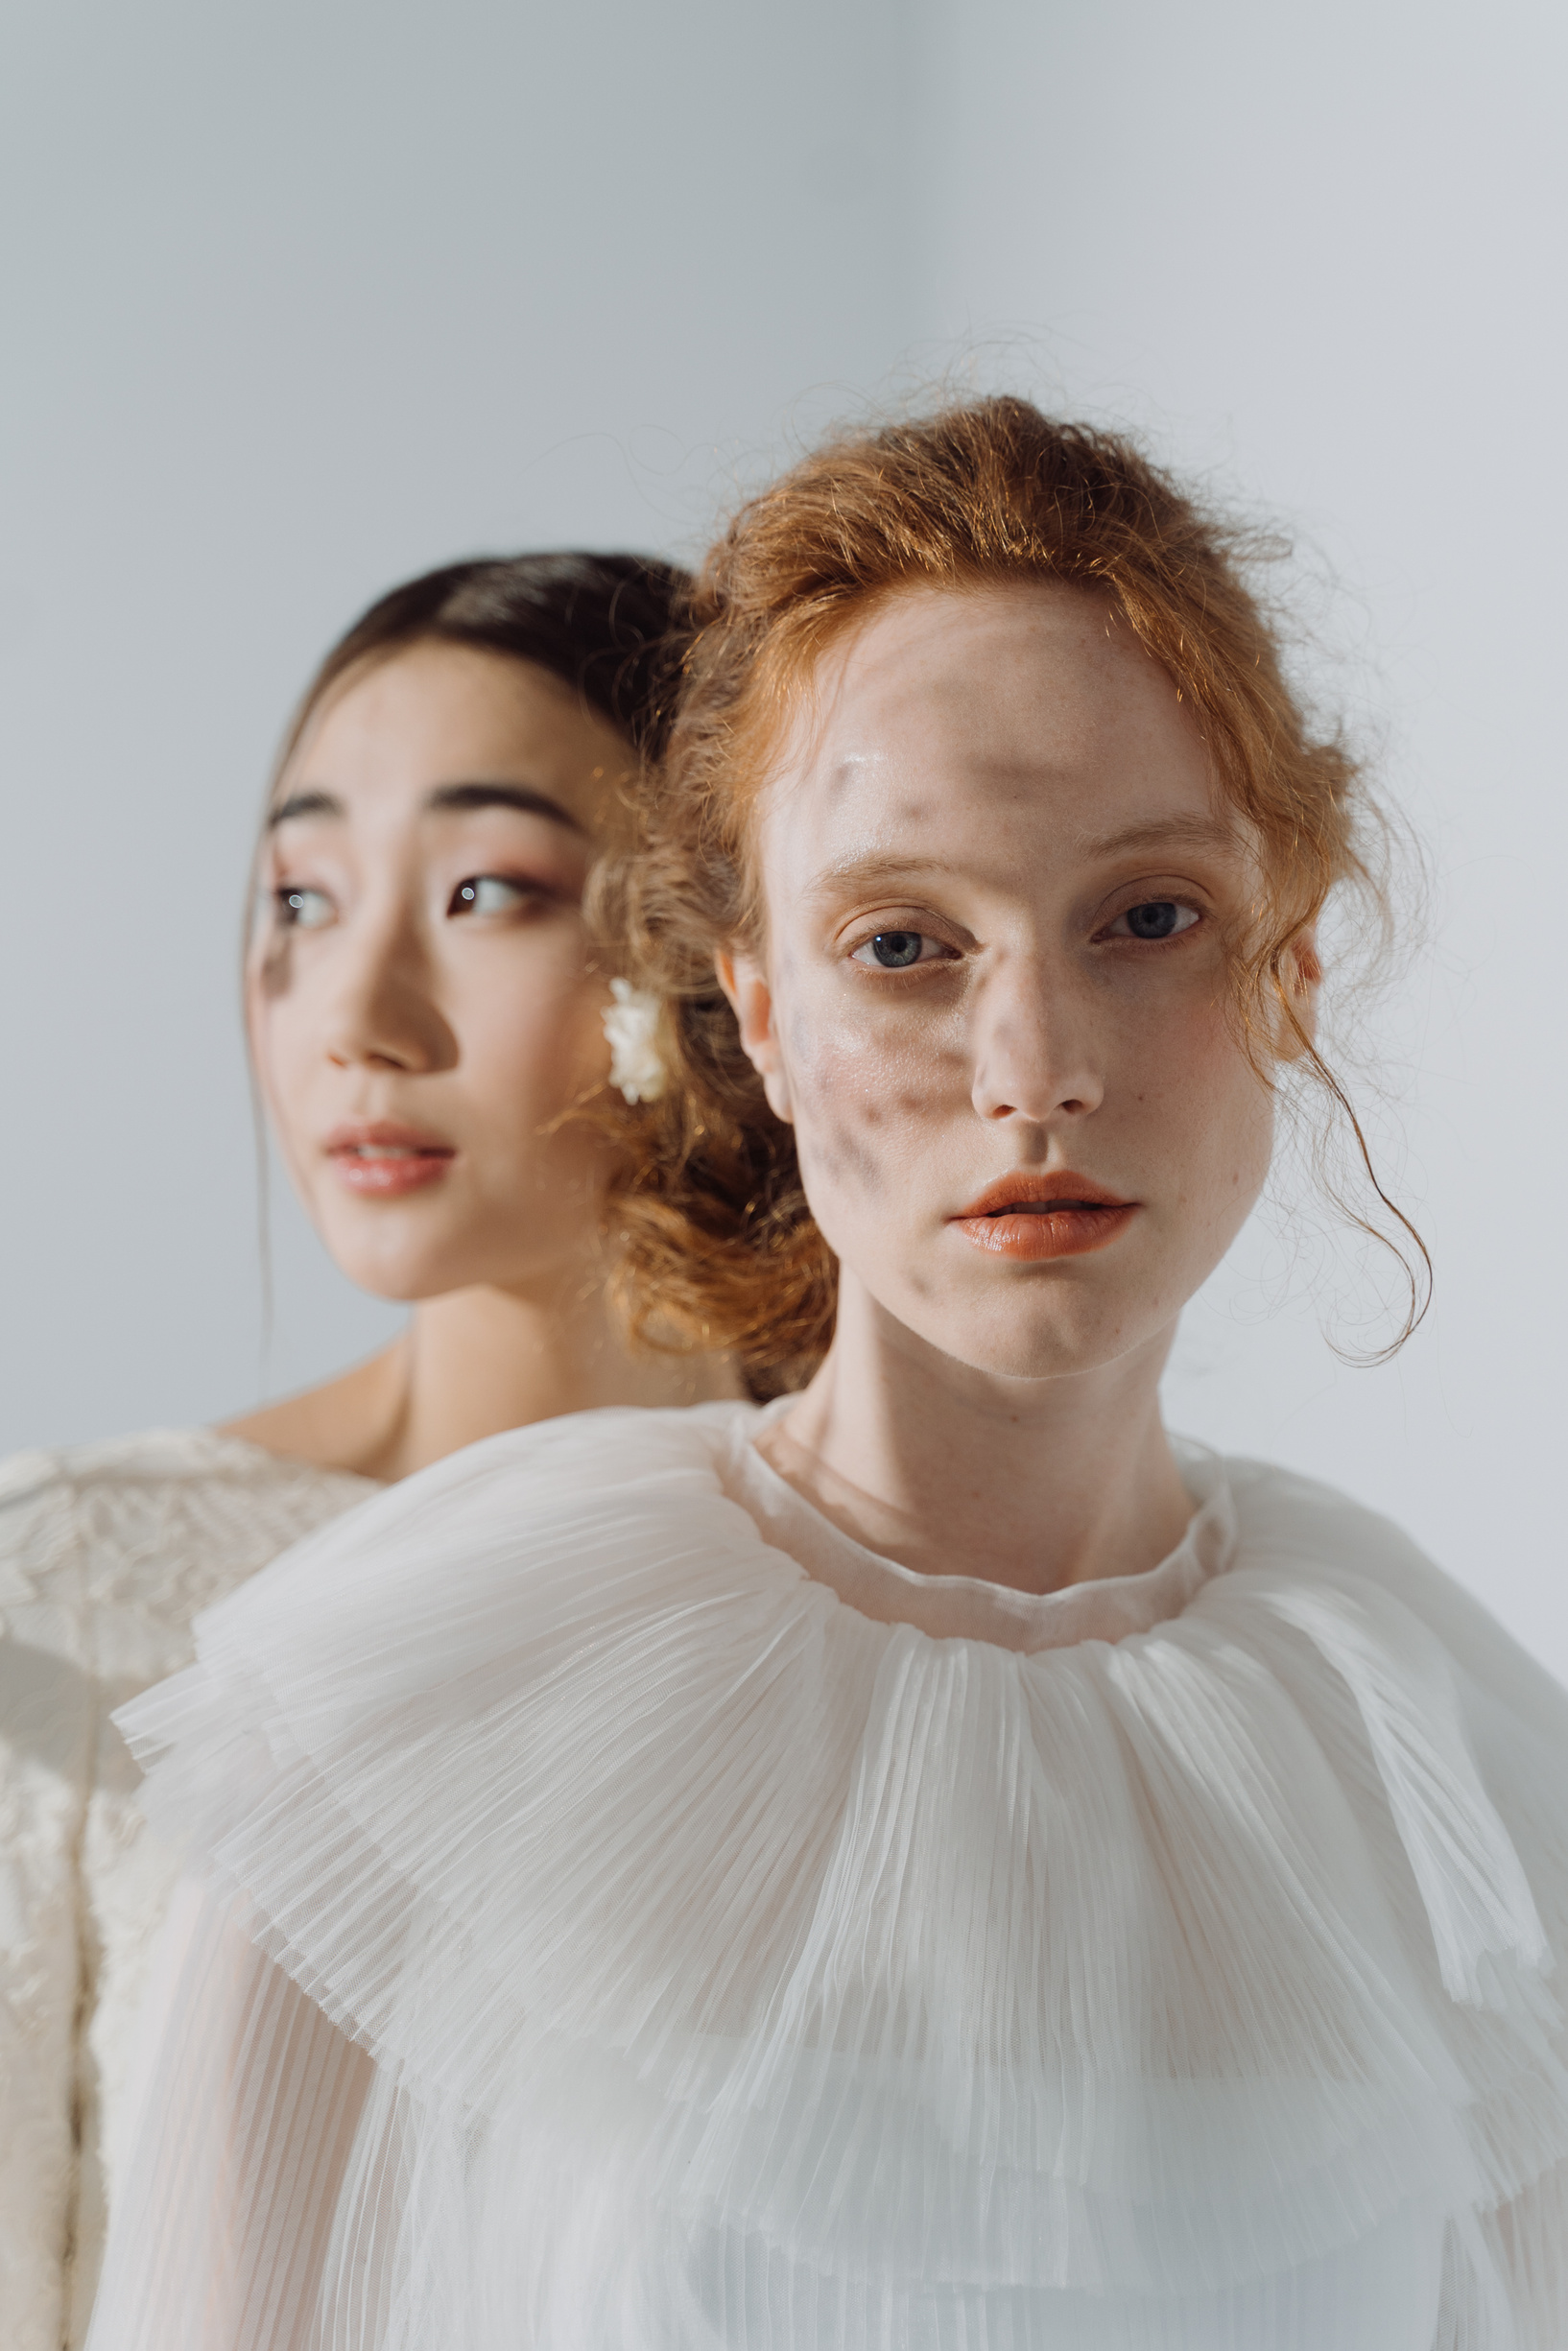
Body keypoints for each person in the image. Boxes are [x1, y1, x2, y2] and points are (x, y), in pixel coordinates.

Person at [88, 403, 1568, 2348]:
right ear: (761, 1012)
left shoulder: (1453, 1780)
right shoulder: (397, 1748)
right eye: (903, 941)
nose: (1033, 1062)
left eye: (1145, 919)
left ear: (1285, 971)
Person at [0, 550, 736, 2351]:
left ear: (723, 963)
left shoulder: (903, 1599)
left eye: (485, 888)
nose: (356, 1014)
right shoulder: (67, 1600)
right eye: (302, 900)